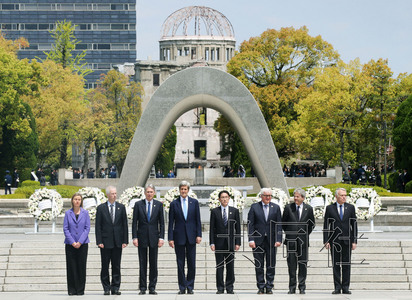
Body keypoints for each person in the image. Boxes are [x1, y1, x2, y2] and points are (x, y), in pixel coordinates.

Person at [168, 181, 202, 294]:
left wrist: (199, 235)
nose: (183, 191)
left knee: (192, 263)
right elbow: (170, 222)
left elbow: (198, 220)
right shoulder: (174, 204)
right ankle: (182, 287)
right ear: (179, 190)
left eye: (185, 189)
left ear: (188, 190)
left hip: (192, 237)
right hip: (179, 237)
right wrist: (170, 238)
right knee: (180, 263)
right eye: (182, 189)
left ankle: (190, 286)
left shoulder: (194, 202)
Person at [248, 188, 282, 294]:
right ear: (261, 196)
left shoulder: (275, 208)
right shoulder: (254, 207)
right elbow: (250, 224)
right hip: (258, 241)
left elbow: (278, 225)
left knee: (271, 265)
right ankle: (261, 287)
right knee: (259, 265)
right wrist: (251, 239)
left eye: (270, 196)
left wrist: (278, 239)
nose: (268, 198)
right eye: (266, 195)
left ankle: (269, 286)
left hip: (271, 241)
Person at [132, 184, 165, 295]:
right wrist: (135, 237)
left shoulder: (159, 205)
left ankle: (152, 287)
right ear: (145, 193)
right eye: (148, 192)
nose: (149, 194)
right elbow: (134, 222)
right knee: (142, 263)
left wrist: (161, 237)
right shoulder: (138, 205)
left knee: (153, 263)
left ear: (154, 193)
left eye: (151, 192)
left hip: (154, 238)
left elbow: (162, 223)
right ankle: (142, 287)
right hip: (141, 237)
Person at [323, 188, 357, 295]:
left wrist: (354, 240)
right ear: (336, 196)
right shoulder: (330, 208)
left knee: (346, 264)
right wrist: (326, 240)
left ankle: (345, 287)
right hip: (334, 241)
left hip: (347, 240)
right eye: (342, 195)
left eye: (345, 195)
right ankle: (337, 287)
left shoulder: (350, 208)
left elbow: (354, 225)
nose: (344, 197)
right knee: (336, 264)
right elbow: (326, 225)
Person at [95, 186, 128, 295]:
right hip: (105, 242)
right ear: (108, 195)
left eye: (115, 193)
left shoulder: (121, 207)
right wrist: (99, 241)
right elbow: (98, 226)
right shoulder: (101, 208)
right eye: (112, 193)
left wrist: (125, 240)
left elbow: (124, 225)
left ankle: (115, 287)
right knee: (105, 265)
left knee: (116, 265)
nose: (114, 195)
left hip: (117, 241)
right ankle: (106, 287)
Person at [282, 188, 315, 294]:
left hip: (303, 241)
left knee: (303, 263)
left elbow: (311, 224)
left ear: (303, 198)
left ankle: (302, 286)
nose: (295, 198)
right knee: (291, 264)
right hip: (291, 241)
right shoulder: (288, 208)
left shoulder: (308, 209)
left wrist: (304, 234)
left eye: (297, 196)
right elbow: (284, 223)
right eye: (294, 196)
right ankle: (292, 287)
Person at [209, 190, 241, 294]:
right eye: (222, 197)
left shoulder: (234, 211)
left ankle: (230, 287)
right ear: (219, 199)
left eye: (226, 197)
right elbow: (212, 229)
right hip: (218, 243)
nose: (224, 199)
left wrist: (238, 242)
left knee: (230, 266)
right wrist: (212, 243)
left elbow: (238, 228)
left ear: (229, 198)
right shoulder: (215, 211)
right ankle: (220, 287)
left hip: (230, 243)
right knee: (219, 266)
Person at [63, 193, 90, 295]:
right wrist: (73, 242)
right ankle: (72, 289)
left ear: (81, 201)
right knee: (71, 267)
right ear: (72, 201)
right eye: (75, 199)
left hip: (82, 244)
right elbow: (65, 228)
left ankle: (80, 290)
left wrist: (80, 241)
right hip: (70, 244)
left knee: (81, 267)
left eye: (79, 199)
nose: (77, 201)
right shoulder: (67, 213)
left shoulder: (85, 213)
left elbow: (87, 228)